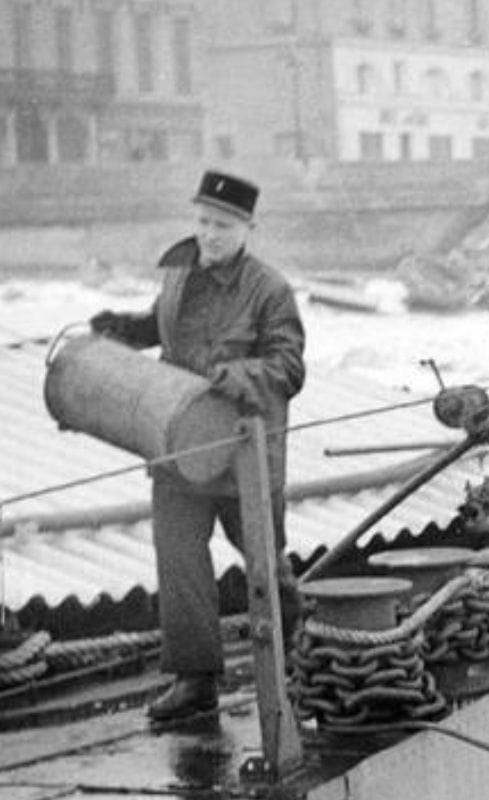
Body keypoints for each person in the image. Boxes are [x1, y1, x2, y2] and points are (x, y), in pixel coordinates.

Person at [88, 170, 306, 722]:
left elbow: (289, 367)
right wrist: (126, 328)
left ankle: (295, 660)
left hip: (243, 453)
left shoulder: (270, 289)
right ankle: (195, 680)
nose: (209, 234)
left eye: (222, 226)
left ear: (248, 228)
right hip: (178, 445)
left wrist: (238, 375)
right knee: (179, 556)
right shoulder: (181, 270)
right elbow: (163, 327)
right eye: (204, 221)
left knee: (265, 562)